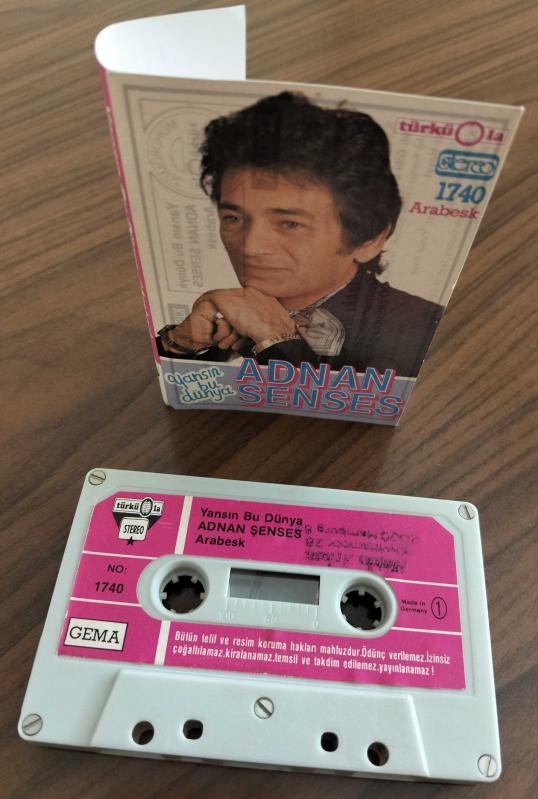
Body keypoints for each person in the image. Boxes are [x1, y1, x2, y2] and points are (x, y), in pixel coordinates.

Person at [157, 92, 443, 377]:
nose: (250, 247)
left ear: (371, 238)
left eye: (289, 224)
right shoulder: (222, 315)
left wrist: (277, 339)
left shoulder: (423, 327)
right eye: (234, 218)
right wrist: (182, 341)